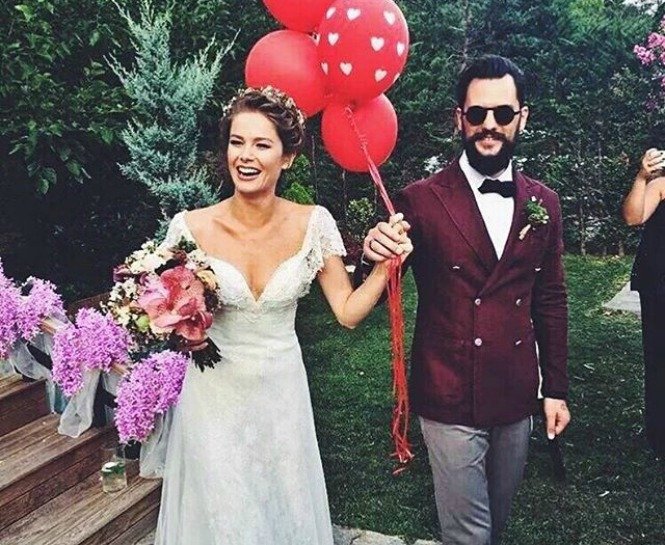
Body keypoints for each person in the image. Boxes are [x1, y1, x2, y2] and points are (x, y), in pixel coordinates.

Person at [153, 87, 412, 545]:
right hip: (213, 399)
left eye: (261, 144)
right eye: (237, 142)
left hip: (282, 397)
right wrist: (179, 326)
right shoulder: (189, 228)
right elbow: (165, 311)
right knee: (221, 516)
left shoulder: (314, 223)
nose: (245, 156)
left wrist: (385, 268)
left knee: (281, 510)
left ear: (287, 157)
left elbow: (347, 312)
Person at [360, 55, 570, 544]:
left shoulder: (544, 202)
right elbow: (378, 283)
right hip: (447, 390)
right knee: (469, 534)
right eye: (477, 113)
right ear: (460, 118)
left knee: (496, 522)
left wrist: (555, 388)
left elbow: (551, 299)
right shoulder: (420, 199)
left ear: (522, 117)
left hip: (515, 390)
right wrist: (372, 252)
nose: (489, 125)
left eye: (502, 113)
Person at [623, 147, 665, 460]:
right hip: (659, 283)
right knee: (659, 358)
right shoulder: (661, 182)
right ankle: (659, 434)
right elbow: (633, 217)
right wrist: (641, 177)